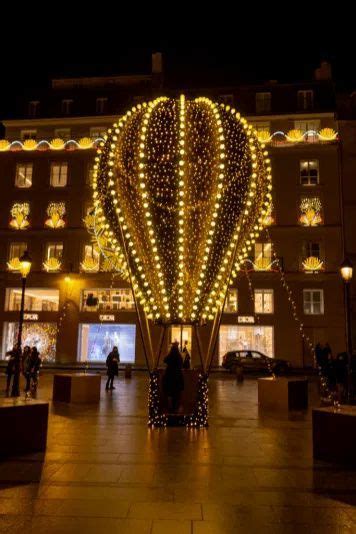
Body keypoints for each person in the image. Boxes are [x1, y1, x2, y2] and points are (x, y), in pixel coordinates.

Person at [163, 342, 184, 413]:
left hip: (169, 376)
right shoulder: (179, 356)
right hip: (177, 377)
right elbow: (181, 363)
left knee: (169, 393)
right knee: (176, 393)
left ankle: (170, 408)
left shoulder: (170, 355)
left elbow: (164, 360)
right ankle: (175, 408)